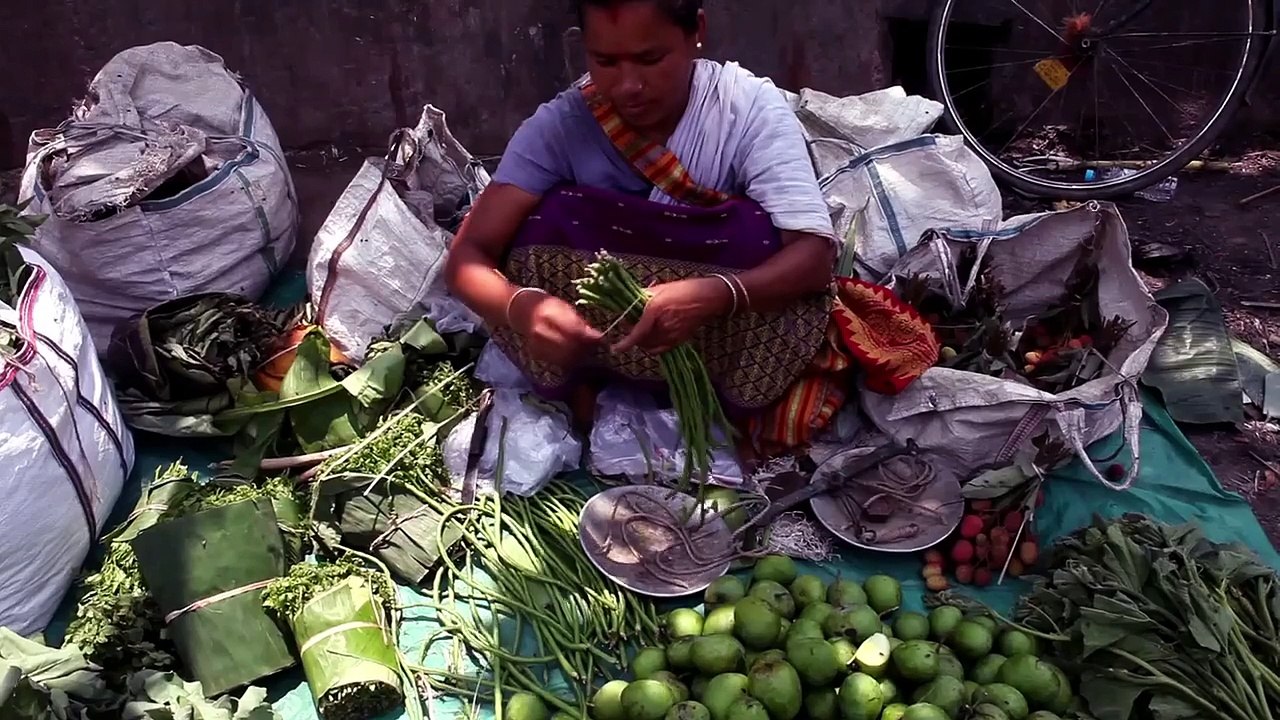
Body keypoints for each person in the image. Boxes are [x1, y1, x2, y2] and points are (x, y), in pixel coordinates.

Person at [446, 0, 936, 455]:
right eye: (606, 61)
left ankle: (714, 405)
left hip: (713, 345)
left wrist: (712, 295)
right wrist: (522, 308)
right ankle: (589, 391)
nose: (628, 86)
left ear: (696, 32)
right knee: (540, 224)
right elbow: (470, 257)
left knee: (755, 236)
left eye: (650, 58)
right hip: (592, 343)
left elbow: (813, 258)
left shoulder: (744, 112)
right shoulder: (563, 124)